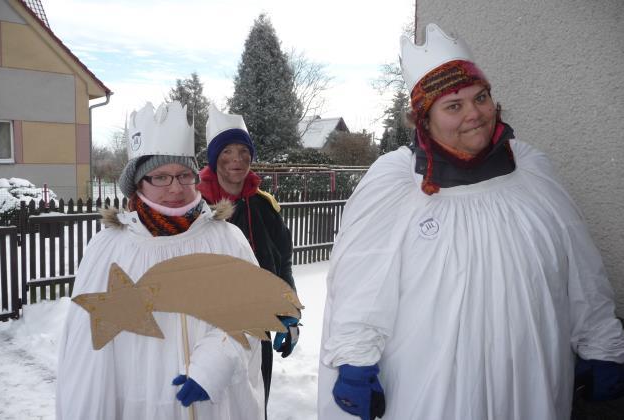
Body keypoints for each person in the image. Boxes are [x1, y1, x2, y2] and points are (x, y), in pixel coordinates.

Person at [318, 23, 624, 420]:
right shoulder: (397, 183)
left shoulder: (530, 170)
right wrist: (356, 362)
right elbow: (364, 278)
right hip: (432, 380)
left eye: (480, 97)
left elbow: (578, 263)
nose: (474, 114)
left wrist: (600, 344)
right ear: (423, 119)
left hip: (530, 375)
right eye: (453, 106)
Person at [56, 101, 265, 420]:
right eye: (161, 178)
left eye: (184, 175)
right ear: (138, 183)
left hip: (216, 402)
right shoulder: (110, 248)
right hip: (139, 403)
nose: (176, 188)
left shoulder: (225, 239)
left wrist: (213, 367)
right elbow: (86, 354)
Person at [197, 104, 299, 414]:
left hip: (259, 329)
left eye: (243, 151)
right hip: (207, 332)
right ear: (214, 159)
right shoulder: (196, 208)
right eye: (227, 151)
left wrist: (290, 314)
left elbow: (281, 263)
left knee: (254, 405)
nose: (236, 159)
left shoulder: (264, 206)